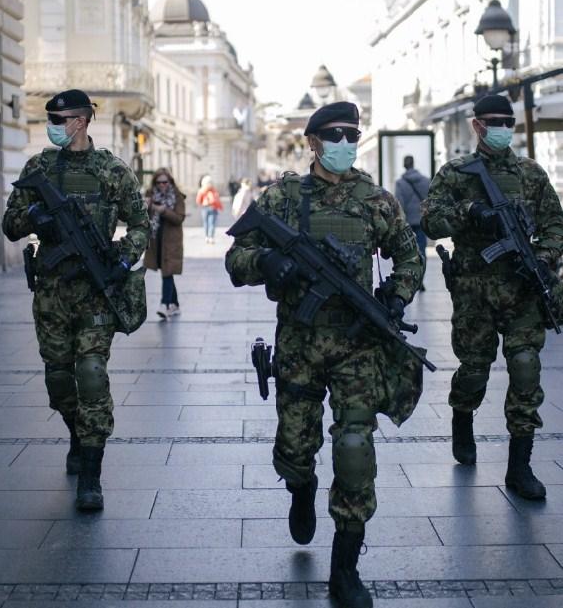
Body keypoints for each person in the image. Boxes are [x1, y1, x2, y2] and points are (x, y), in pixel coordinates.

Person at [225, 101, 423, 608]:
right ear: (312, 143)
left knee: (355, 448)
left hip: (358, 347)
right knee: (295, 447)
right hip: (299, 346)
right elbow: (236, 257)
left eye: (351, 137)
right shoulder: (285, 197)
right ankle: (301, 486)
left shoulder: (375, 199)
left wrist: (397, 295)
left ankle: (345, 568)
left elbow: (410, 254)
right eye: (333, 137)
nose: (344, 145)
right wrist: (269, 261)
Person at [1, 88, 150, 511]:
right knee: (59, 381)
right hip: (51, 294)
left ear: (81, 122)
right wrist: (35, 217)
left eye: (58, 119)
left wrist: (123, 257)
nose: (51, 126)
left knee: (90, 375)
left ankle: (91, 473)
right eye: (49, 119)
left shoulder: (111, 170)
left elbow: (140, 224)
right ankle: (76, 432)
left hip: (95, 295)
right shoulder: (39, 167)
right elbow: (10, 225)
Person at [421, 94, 563, 500]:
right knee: (474, 370)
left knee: (524, 367)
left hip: (522, 290)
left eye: (508, 121)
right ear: (477, 125)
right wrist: (469, 211)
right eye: (494, 121)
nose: (502, 128)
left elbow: (555, 222)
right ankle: (462, 417)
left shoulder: (531, 174)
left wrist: (545, 254)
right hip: (474, 293)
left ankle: (520, 468)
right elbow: (430, 221)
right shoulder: (456, 172)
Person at [145, 168, 186, 319]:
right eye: (159, 182)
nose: (162, 185)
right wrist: (147, 206)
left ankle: (164, 304)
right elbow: (144, 216)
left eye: (165, 182)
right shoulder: (150, 194)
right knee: (166, 272)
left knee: (167, 273)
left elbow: (179, 218)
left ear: (170, 182)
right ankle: (175, 304)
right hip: (156, 241)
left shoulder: (177, 196)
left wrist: (164, 211)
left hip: (171, 242)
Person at [395, 155, 431, 291]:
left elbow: (399, 204)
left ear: (404, 165)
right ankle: (421, 280)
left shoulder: (400, 183)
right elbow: (429, 201)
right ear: (413, 164)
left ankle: (411, 281)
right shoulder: (426, 181)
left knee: (409, 253)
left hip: (408, 223)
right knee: (422, 251)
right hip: (421, 221)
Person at [196, 176, 223, 244]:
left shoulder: (206, 190)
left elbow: (198, 201)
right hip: (207, 208)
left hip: (210, 208)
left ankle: (209, 237)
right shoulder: (204, 191)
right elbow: (198, 201)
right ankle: (209, 237)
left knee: (210, 223)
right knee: (209, 223)